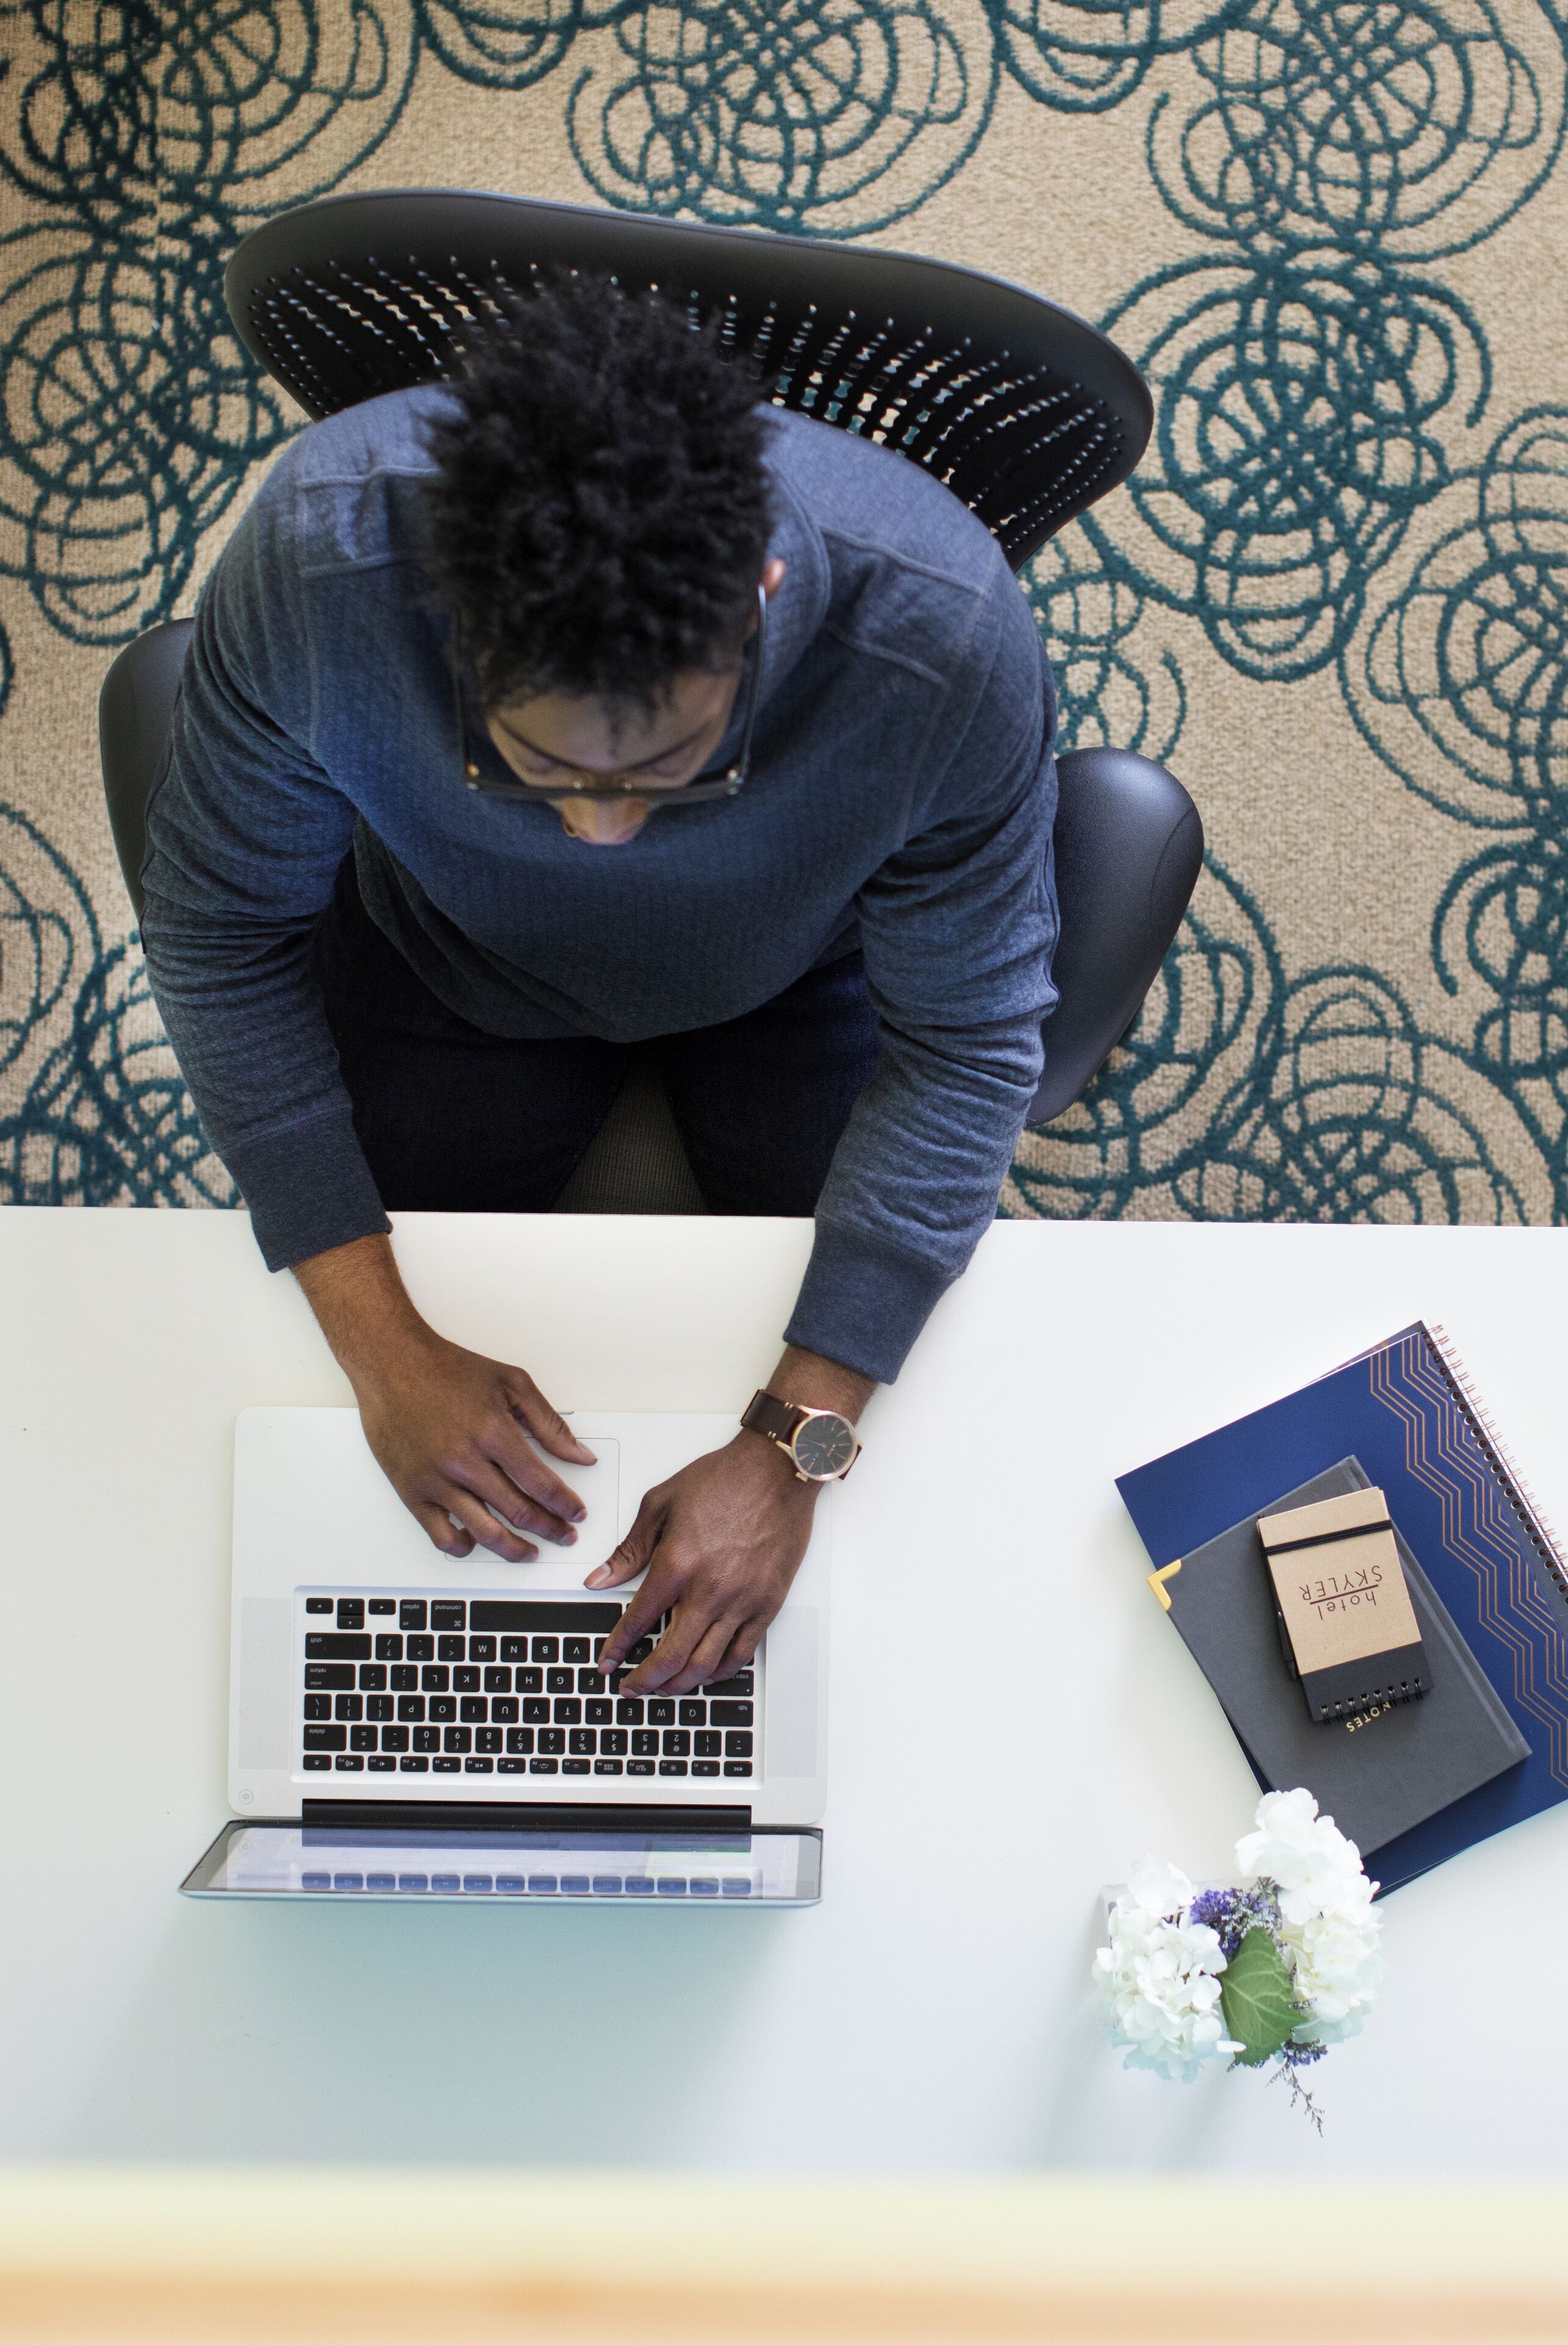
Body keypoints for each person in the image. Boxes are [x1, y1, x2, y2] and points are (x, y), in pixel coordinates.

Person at [141, 277, 1059, 1701]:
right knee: (316, 1457)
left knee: (915, 1476)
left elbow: (969, 1043)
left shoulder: (941, 635)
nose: (600, 835)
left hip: (807, 976)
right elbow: (219, 939)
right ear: (446, 617)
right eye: (538, 770)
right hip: (443, 966)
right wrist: (382, 1348)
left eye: (673, 765)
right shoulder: (318, 556)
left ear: (759, 598)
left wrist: (791, 1444)